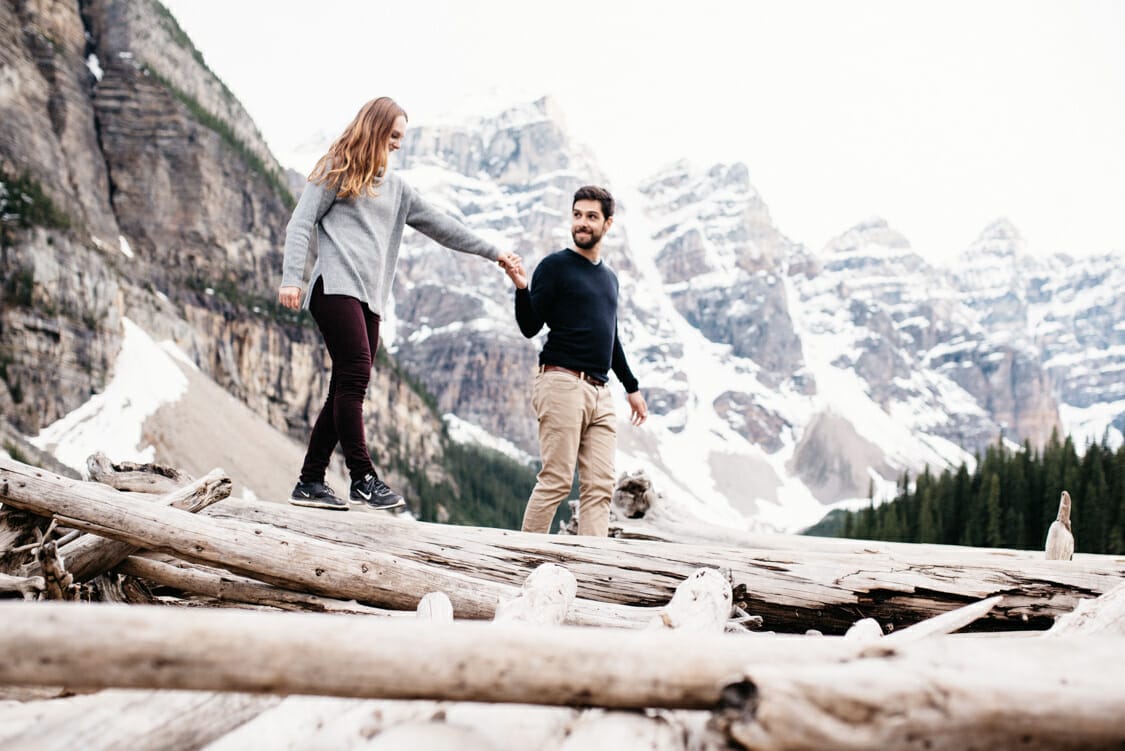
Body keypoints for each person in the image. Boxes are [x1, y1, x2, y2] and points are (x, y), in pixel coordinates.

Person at [279, 96, 519, 511]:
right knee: (355, 375)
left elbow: (442, 227)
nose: (398, 144)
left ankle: (309, 481)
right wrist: (290, 279)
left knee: (344, 386)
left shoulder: (399, 189)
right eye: (393, 135)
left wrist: (492, 251)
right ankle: (362, 477)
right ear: (373, 129)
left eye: (401, 137)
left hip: (370, 298)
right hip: (333, 287)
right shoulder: (336, 167)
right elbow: (301, 222)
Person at [503, 185, 647, 536]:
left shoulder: (609, 279)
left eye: (591, 217)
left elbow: (610, 338)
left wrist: (632, 388)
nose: (582, 223)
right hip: (561, 381)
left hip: (600, 392)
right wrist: (522, 288)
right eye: (578, 214)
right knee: (555, 480)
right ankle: (521, 561)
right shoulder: (555, 267)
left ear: (608, 223)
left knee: (599, 487)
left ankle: (588, 569)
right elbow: (529, 326)